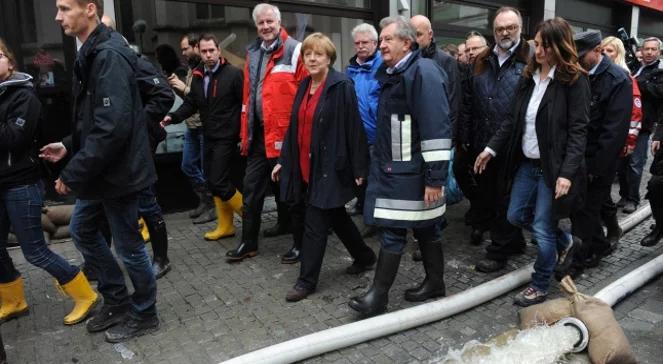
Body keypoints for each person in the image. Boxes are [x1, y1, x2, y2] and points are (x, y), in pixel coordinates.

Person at [42, 0, 159, 342]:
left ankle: (145, 312)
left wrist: (72, 173)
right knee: (81, 230)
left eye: (64, 8)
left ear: (89, 9)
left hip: (119, 174)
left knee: (130, 248)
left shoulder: (107, 55)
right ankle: (118, 300)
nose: (57, 16)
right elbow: (93, 121)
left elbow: (112, 129)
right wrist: (68, 145)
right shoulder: (91, 52)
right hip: (102, 172)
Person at [474, 17, 590, 307]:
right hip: (527, 165)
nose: (537, 51)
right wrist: (490, 149)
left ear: (559, 47)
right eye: (536, 44)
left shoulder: (574, 81)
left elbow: (578, 131)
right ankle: (565, 242)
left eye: (544, 46)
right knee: (514, 216)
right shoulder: (529, 78)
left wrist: (566, 173)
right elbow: (512, 121)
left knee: (541, 228)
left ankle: (539, 284)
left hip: (553, 169)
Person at [349, 16, 451, 316]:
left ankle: (377, 297)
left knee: (393, 232)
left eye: (386, 40)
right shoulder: (396, 73)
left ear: (407, 43)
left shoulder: (422, 72)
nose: (381, 45)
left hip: (411, 173)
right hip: (400, 171)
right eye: (380, 40)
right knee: (426, 228)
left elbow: (436, 128)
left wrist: (435, 178)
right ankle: (435, 283)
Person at [0, 38, 98, 326]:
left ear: (10, 61)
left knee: (35, 252)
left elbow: (14, 139)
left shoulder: (24, 96)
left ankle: (85, 294)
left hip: (21, 185)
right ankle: (14, 299)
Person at [272, 33, 377, 302]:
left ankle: (306, 281)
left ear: (329, 57)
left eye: (318, 54)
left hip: (331, 166)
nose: (312, 58)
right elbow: (295, 127)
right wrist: (284, 160)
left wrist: (359, 169)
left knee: (315, 222)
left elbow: (354, 127)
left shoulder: (341, 85)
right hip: (306, 165)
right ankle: (365, 256)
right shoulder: (305, 84)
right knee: (337, 217)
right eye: (308, 54)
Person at [231, 3, 307, 263]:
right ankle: (248, 243)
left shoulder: (295, 50)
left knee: (291, 193)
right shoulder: (252, 53)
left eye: (269, 22)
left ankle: (300, 244)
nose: (265, 27)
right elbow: (248, 97)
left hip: (286, 138)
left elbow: (307, 93)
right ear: (256, 26)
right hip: (259, 136)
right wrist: (245, 133)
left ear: (279, 22)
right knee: (251, 191)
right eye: (261, 23)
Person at [457, 7, 529, 272]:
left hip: (512, 146)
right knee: (490, 196)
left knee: (504, 199)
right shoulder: (482, 60)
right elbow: (468, 101)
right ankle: (515, 240)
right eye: (500, 29)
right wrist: (467, 137)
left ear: (520, 28)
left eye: (510, 27)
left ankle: (498, 251)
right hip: (481, 143)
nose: (505, 33)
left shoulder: (530, 59)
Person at [162, 34, 244, 242]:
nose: (208, 55)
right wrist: (172, 116)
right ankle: (225, 226)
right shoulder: (198, 76)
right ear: (199, 50)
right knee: (212, 180)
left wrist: (244, 135)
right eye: (204, 51)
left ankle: (250, 217)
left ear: (218, 50)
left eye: (211, 50)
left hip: (227, 137)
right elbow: (192, 104)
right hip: (208, 135)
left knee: (219, 181)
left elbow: (245, 106)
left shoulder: (234, 74)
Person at [565, 31, 631, 274]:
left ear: (598, 51)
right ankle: (601, 245)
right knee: (580, 210)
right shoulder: (578, 74)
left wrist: (596, 169)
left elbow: (613, 132)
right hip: (577, 158)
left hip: (598, 161)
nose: (578, 61)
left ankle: (578, 262)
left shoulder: (618, 80)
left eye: (582, 56)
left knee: (586, 212)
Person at [600, 36, 642, 247]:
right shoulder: (598, 75)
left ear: (618, 54)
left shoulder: (625, 77)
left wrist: (630, 141)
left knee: (602, 189)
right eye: (603, 50)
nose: (606, 54)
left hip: (615, 142)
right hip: (597, 141)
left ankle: (612, 227)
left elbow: (635, 114)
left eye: (611, 51)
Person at [168, 33, 210, 223]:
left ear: (195, 47)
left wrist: (182, 88)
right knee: (187, 165)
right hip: (191, 126)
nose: (183, 53)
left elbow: (201, 98)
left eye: (186, 48)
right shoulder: (191, 68)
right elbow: (189, 99)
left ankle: (212, 205)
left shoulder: (205, 68)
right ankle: (205, 200)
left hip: (203, 126)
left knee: (207, 169)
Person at [620, 37, 663, 213]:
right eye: (647, 49)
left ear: (659, 52)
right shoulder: (634, 67)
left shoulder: (660, 72)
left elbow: (658, 92)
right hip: (623, 122)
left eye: (653, 49)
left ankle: (632, 199)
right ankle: (624, 195)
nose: (650, 52)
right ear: (641, 50)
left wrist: (638, 82)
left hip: (642, 126)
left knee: (635, 164)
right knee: (621, 163)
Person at [345, 23, 381, 228]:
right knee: (358, 176)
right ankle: (362, 205)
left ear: (375, 43)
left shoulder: (383, 66)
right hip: (355, 136)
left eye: (365, 42)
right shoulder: (349, 70)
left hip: (376, 134)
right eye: (357, 43)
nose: (360, 46)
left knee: (375, 179)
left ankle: (374, 222)